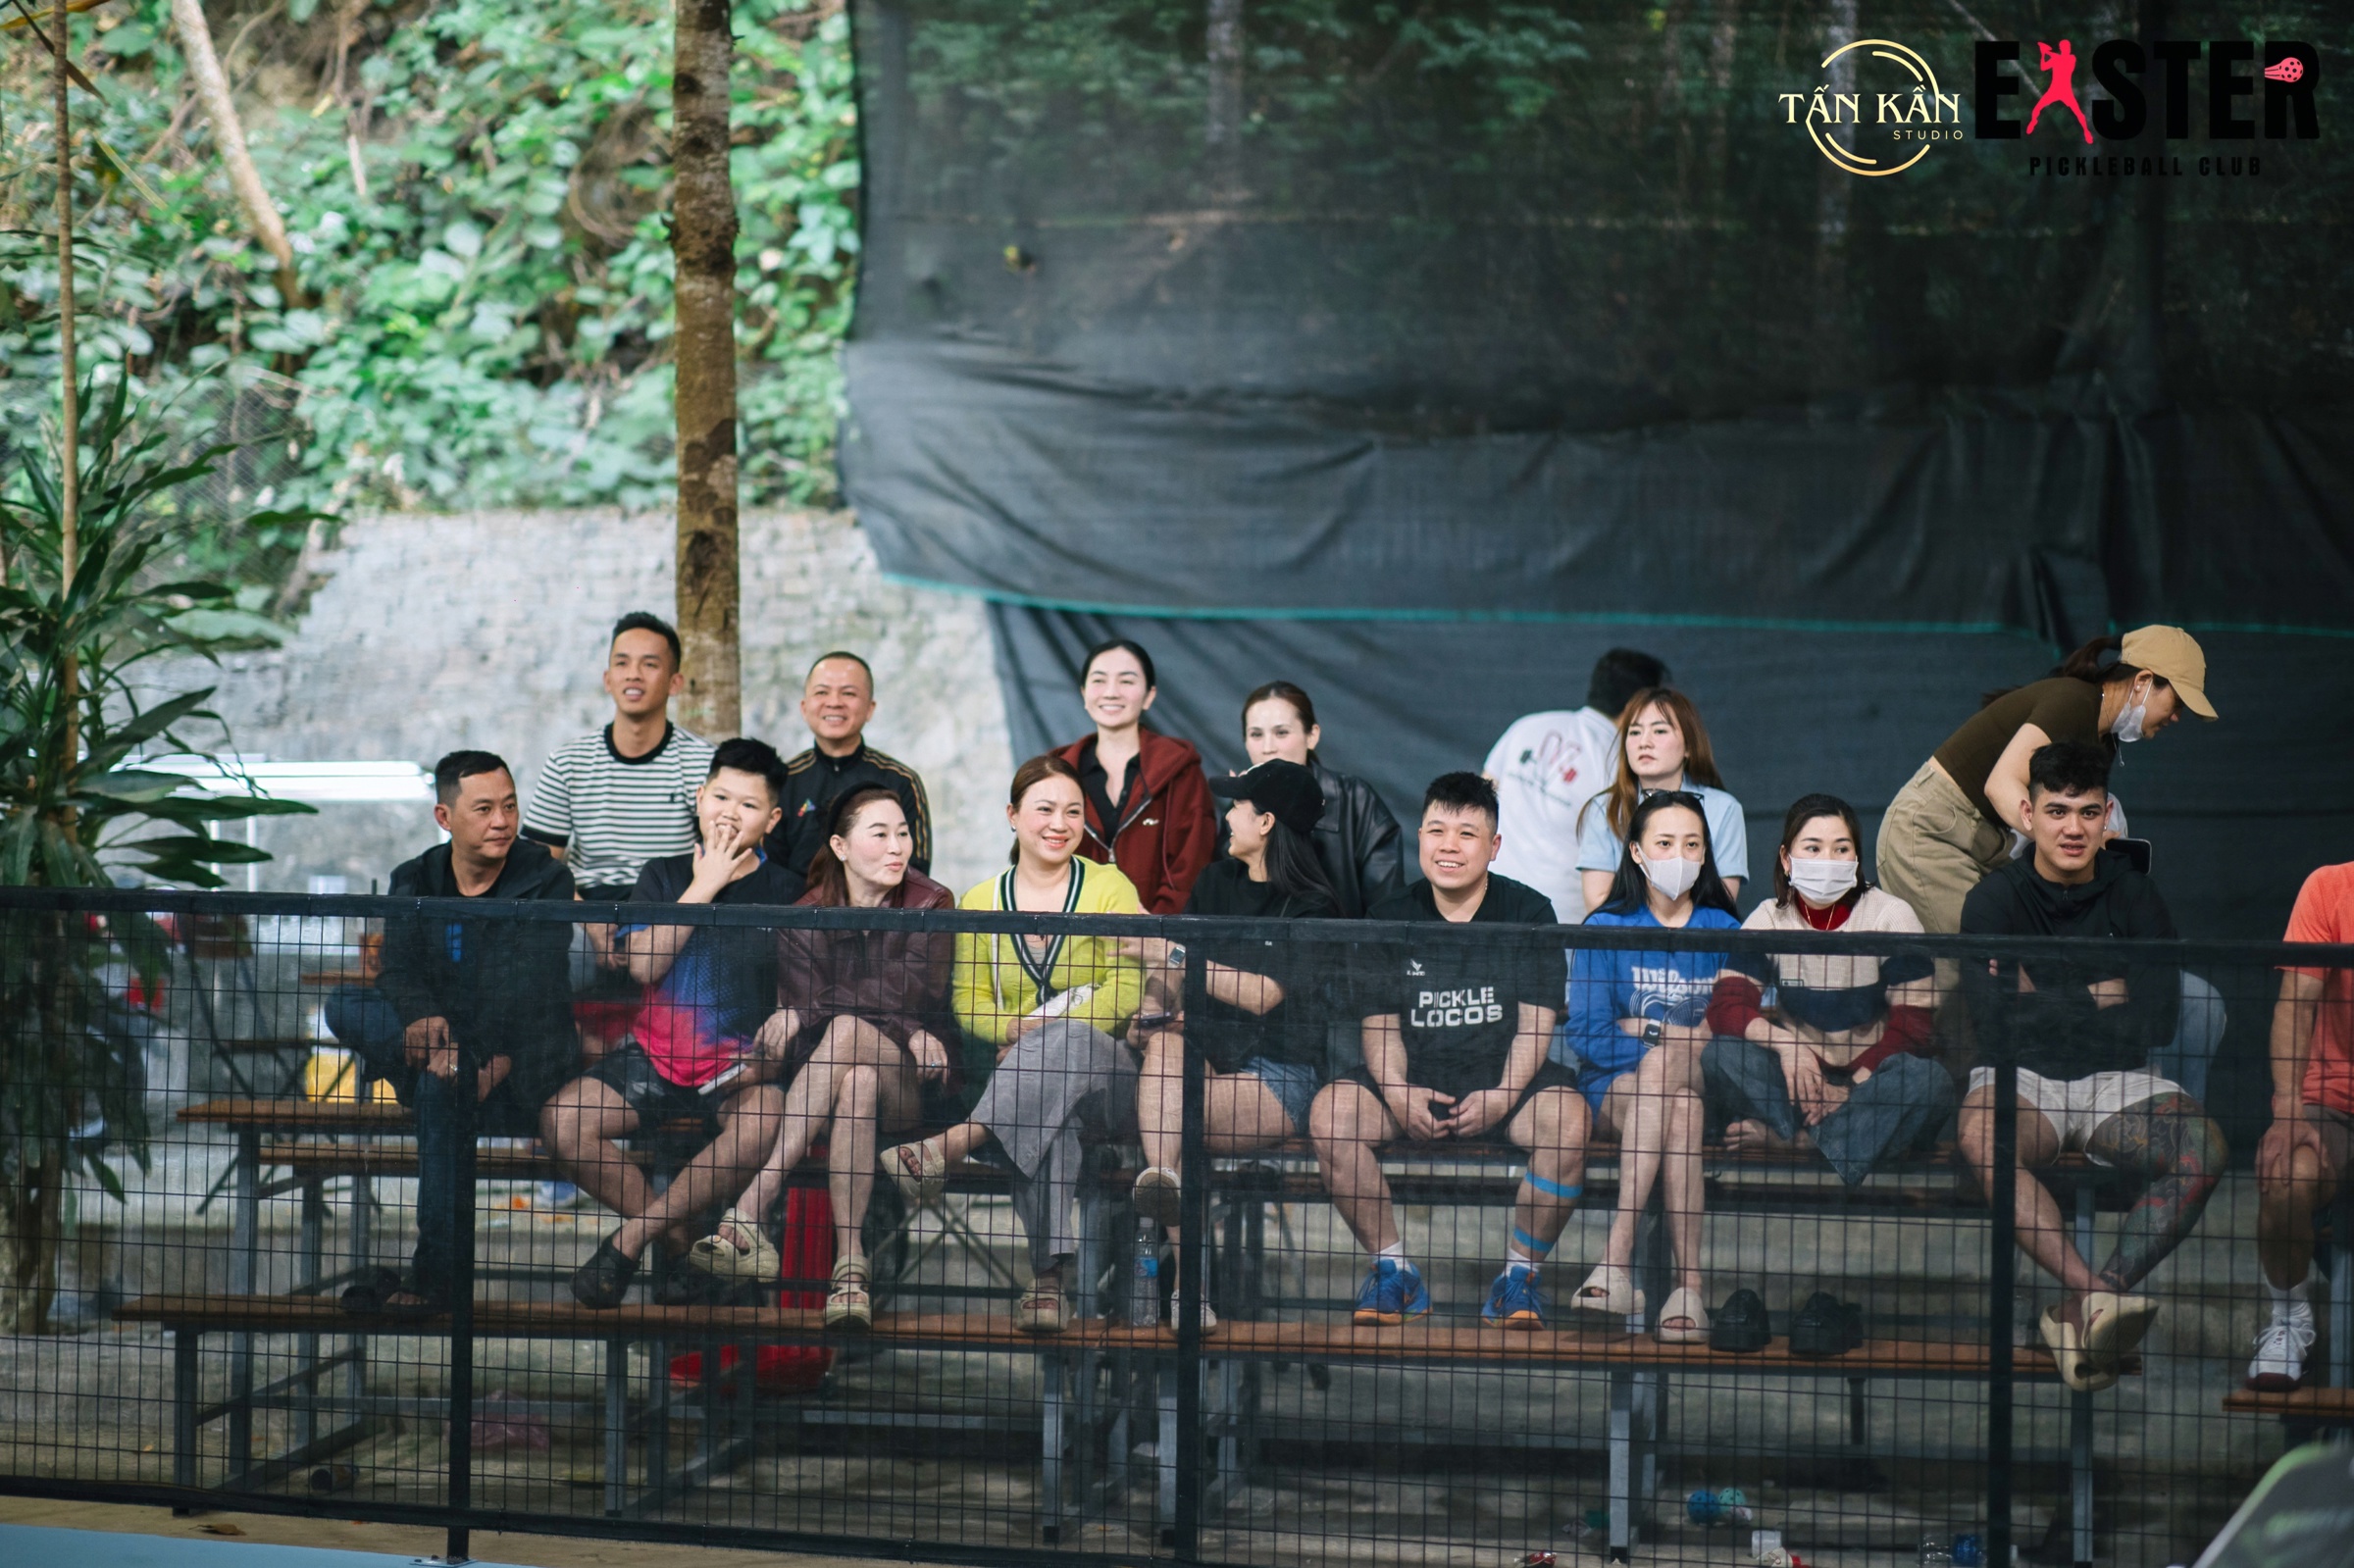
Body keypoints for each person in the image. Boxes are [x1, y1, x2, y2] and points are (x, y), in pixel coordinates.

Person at [1957, 741, 2226, 1393]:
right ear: (2029, 814)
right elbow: (1995, 1025)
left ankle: (2090, 1301)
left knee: (2206, 1147)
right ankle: (2091, 1294)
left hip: (2118, 1078)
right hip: (2020, 1075)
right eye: (2057, 811)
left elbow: (2157, 1018)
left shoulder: (2136, 897)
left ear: (2107, 816)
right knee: (1983, 1140)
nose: (2072, 828)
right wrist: (2102, 991)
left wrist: (2041, 994)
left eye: (2086, 811)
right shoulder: (1994, 899)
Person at [1307, 773, 1585, 1331]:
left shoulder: (1529, 913)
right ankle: (1395, 1272)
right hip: (1414, 1082)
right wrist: (1397, 1092)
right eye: (1436, 831)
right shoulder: (1389, 917)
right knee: (1330, 1115)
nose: (1449, 846)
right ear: (1420, 838)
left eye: (1466, 834)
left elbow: (1536, 1027)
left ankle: (1519, 1279)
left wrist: (1504, 1094)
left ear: (1494, 846)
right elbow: (1380, 1027)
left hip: (1504, 1083)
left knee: (1570, 1122)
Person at [881, 755, 1147, 1335]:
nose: (1060, 823)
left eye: (1072, 812)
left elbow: (1125, 991)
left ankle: (955, 1142)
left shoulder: (1109, 887)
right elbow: (968, 999)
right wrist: (1014, 1034)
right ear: (1012, 815)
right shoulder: (981, 900)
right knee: (1049, 1114)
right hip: (1028, 1088)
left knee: (1061, 1049)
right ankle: (1047, 1283)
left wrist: (1040, 1036)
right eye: (1045, 809)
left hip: (1111, 1077)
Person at [542, 738, 801, 1309]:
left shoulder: (789, 890)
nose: (730, 814)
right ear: (700, 797)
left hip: (742, 1068)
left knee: (766, 1121)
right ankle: (682, 1244)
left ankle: (630, 1242)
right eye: (722, 797)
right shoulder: (662, 875)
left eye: (749, 805)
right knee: (562, 1122)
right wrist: (705, 884)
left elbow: (804, 986)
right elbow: (644, 966)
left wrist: (786, 1027)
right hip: (655, 1058)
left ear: (773, 819)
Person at [686, 787, 956, 1331]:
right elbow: (852, 1015)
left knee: (848, 1030)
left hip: (913, 1085)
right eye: (880, 834)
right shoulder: (805, 915)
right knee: (855, 1079)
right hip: (832, 1091)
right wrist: (819, 1013)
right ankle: (850, 1270)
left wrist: (808, 1009)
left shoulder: (932, 902)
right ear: (840, 845)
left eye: (903, 833)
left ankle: (752, 1206)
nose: (897, 846)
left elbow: (913, 994)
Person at [338, 752, 577, 1316]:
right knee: (344, 1003)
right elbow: (397, 969)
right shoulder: (414, 877)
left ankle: (433, 1278)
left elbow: (532, 985)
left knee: (437, 1089)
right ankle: (428, 1066)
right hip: (446, 1051)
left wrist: (478, 1052)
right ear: (445, 817)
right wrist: (423, 1021)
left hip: (519, 1061)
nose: (503, 821)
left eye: (510, 806)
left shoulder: (545, 877)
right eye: (485, 809)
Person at [1124, 759, 1342, 1333]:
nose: (1227, 816)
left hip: (1279, 1074)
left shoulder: (1314, 904)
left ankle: (1175, 1272)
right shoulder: (1217, 881)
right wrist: (1151, 1009)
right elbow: (1171, 971)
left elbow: (1263, 994)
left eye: (1237, 806)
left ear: (1266, 822)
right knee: (1164, 1058)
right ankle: (1167, 1209)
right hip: (1201, 1052)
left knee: (1173, 1124)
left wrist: (1170, 953)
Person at [1877, 627, 2217, 935]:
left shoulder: (2102, 739)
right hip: (1932, 832)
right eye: (2177, 702)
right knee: (1972, 963)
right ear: (2143, 681)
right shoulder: (2074, 702)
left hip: (1983, 843)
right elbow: (2000, 785)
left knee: (2012, 960)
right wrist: (2079, 841)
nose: (2176, 716)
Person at [1560, 790, 1740, 1342]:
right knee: (1679, 1107)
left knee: (1674, 1085)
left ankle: (1615, 1261)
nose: (1679, 855)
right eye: (1664, 843)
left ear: (1706, 853)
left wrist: (1649, 1031)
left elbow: (1735, 1037)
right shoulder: (1605, 928)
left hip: (1706, 1084)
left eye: (1692, 844)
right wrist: (1684, 1040)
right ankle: (1690, 1290)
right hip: (1615, 1088)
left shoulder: (1726, 931)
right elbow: (1587, 1033)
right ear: (1637, 852)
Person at [1701, 794, 1952, 1185]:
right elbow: (1725, 1007)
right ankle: (1843, 1139)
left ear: (1856, 858)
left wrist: (1850, 1090)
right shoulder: (1770, 918)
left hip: (1870, 1083)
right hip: (1798, 1082)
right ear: (1787, 859)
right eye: (1813, 848)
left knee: (1929, 1081)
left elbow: (1914, 1026)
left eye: (1841, 849)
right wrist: (1789, 1046)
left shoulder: (1890, 916)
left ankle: (1798, 1142)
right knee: (1721, 1054)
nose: (1828, 860)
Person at [2248, 860, 2354, 1391]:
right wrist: (2289, 1108)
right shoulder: (2331, 887)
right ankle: (2290, 1320)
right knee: (2285, 1175)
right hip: (2330, 1102)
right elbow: (2295, 1003)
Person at [523, 611, 715, 898]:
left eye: (649, 664)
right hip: (586, 905)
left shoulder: (704, 763)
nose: (633, 674)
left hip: (673, 907)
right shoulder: (567, 762)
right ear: (608, 679)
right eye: (622, 663)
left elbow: (721, 860)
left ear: (675, 683)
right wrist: (586, 918)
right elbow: (536, 864)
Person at [1484, 648, 1669, 923]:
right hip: (1562, 921)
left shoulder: (1526, 727)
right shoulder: (1627, 765)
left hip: (1489, 905)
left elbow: (1476, 806)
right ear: (1639, 705)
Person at [1052, 637, 1216, 915]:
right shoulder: (1056, 773)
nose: (1111, 692)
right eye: (1099, 680)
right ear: (1083, 693)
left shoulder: (1181, 770)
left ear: (1149, 696)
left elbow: (1192, 866)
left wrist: (1152, 929)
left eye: (1126, 681)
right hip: (1072, 936)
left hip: (1160, 934)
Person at [1575, 687, 1748, 916]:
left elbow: (1722, 904)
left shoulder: (1724, 809)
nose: (1644, 742)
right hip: (1625, 937)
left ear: (1689, 746)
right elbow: (1598, 903)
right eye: (1634, 732)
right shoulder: (1603, 808)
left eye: (1659, 731)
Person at [1240, 681, 1404, 919]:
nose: (1268, 747)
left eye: (1281, 733)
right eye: (1256, 734)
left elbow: (1386, 911)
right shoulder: (1239, 807)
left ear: (1312, 735)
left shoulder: (1356, 801)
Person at [768, 651, 935, 882]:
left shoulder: (900, 780)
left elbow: (916, 873)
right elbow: (771, 872)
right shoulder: (784, 781)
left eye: (848, 693)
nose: (834, 702)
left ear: (870, 708)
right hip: (798, 903)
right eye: (822, 692)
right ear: (804, 707)